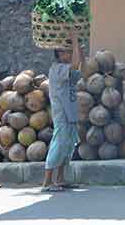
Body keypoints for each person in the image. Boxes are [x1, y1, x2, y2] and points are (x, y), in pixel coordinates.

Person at [41, 33, 84, 192]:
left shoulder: (68, 70)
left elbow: (82, 69)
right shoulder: (57, 69)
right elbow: (74, 65)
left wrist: (79, 49)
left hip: (71, 113)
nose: (72, 55)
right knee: (58, 144)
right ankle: (47, 182)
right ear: (60, 53)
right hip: (61, 114)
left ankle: (60, 178)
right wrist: (74, 40)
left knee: (68, 146)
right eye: (69, 52)